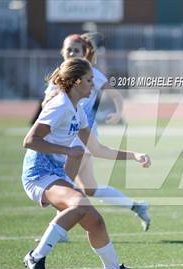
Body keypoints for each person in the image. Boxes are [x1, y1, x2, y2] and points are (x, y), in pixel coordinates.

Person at [22, 58, 151, 269]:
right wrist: (65, 150)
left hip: (56, 174)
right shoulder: (60, 105)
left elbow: (98, 149)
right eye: (90, 80)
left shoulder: (77, 109)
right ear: (77, 81)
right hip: (38, 174)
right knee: (80, 204)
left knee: (96, 222)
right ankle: (36, 256)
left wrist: (134, 155)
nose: (93, 85)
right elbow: (30, 140)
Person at [45, 33, 151, 237]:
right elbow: (46, 106)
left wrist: (118, 113)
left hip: (82, 137)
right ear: (62, 51)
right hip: (70, 137)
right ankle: (136, 206)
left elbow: (115, 95)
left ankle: (59, 232)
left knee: (63, 184)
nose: (71, 53)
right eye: (68, 49)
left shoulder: (90, 73)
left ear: (84, 53)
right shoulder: (59, 75)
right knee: (89, 189)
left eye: (76, 50)